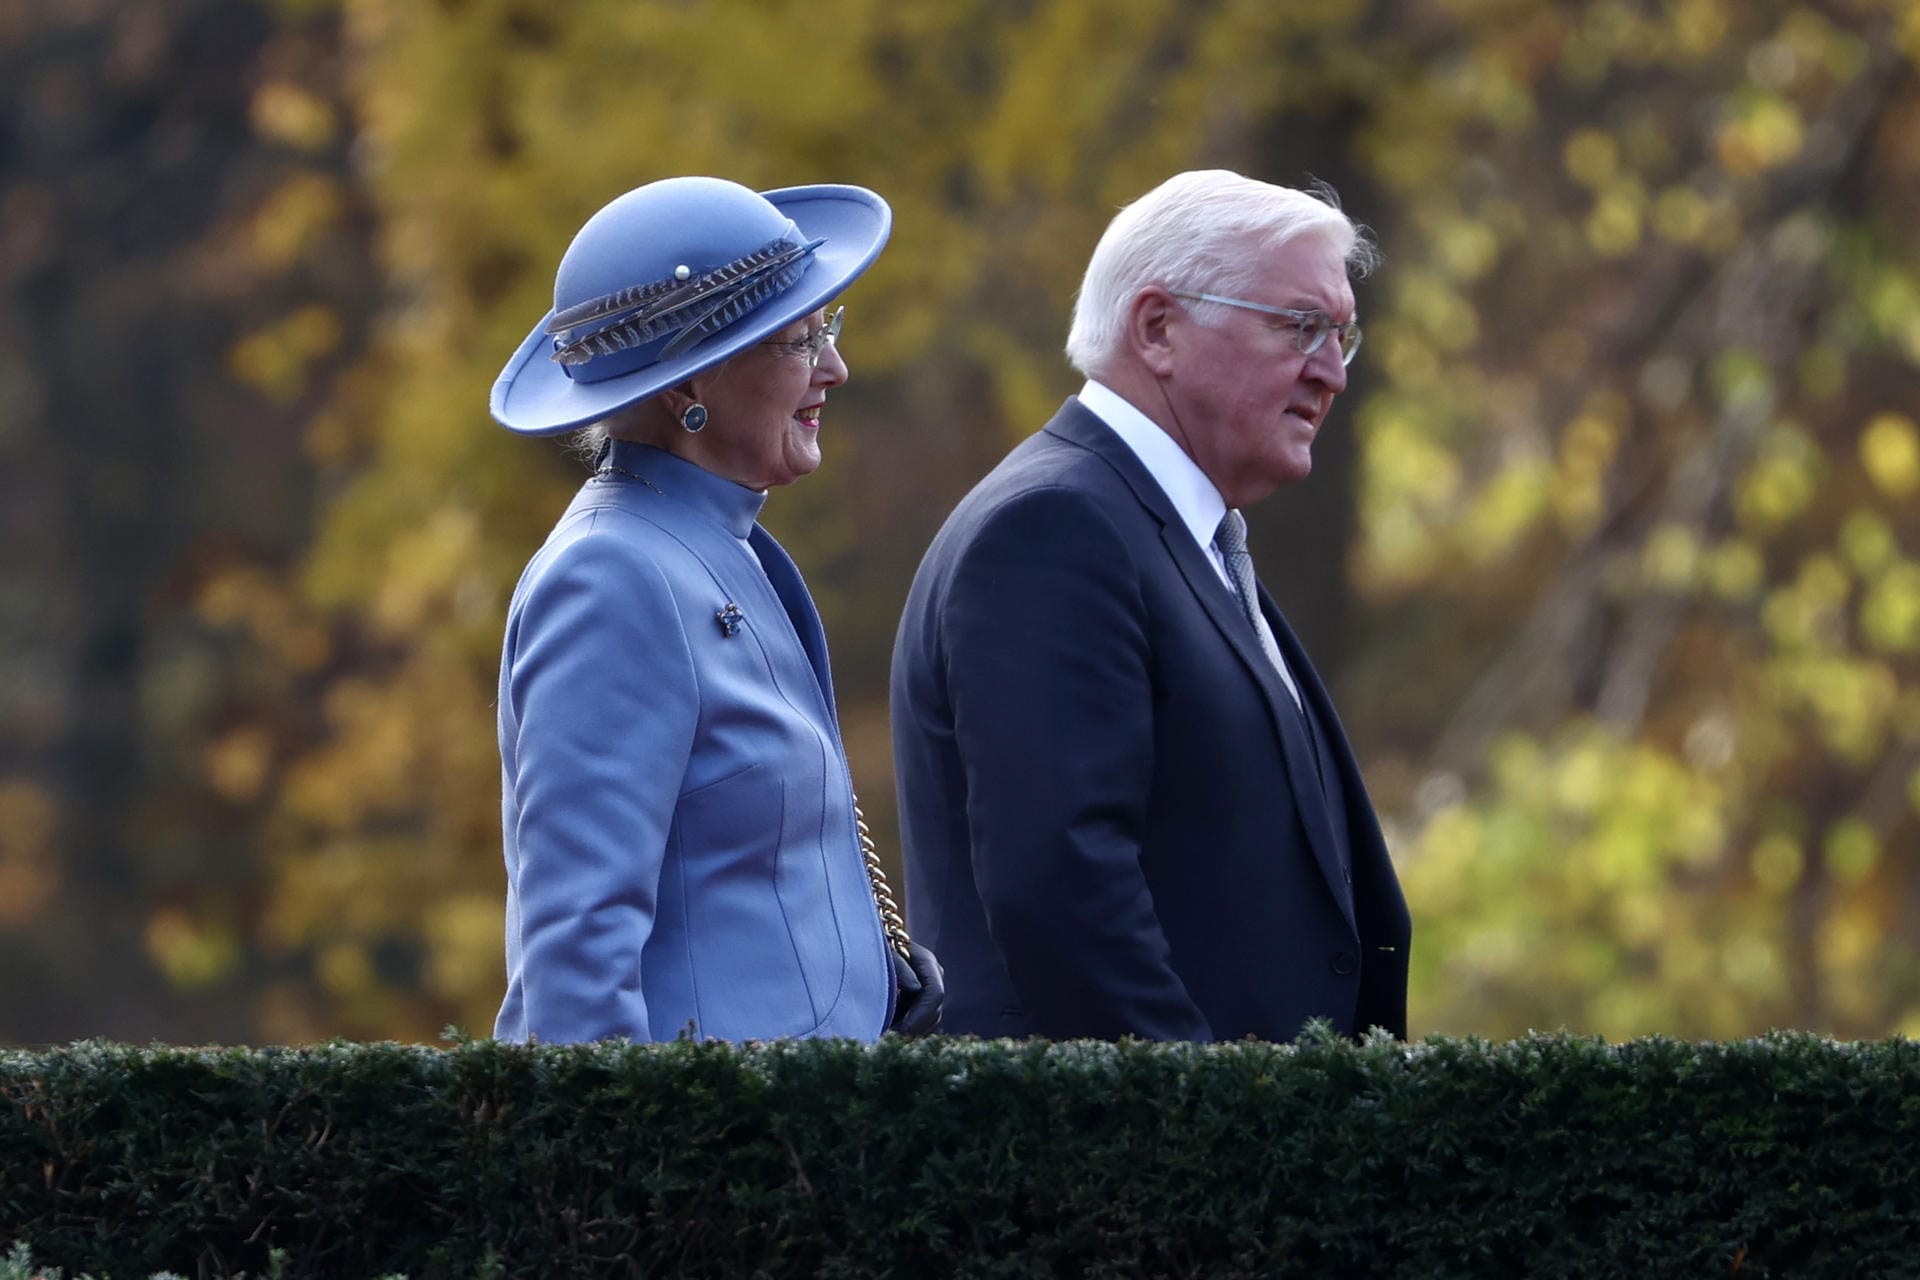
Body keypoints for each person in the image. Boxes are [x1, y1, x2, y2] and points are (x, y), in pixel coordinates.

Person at [891, 169, 1410, 1042]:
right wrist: (1211, 1137)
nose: (1332, 374)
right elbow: (1065, 891)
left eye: (1342, 339)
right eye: (1302, 326)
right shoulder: (1054, 530)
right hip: (1125, 1164)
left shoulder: (1175, 533)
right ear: (1159, 328)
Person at [488, 176, 941, 1044]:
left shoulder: (715, 546)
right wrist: (645, 1173)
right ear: (687, 385)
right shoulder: (613, 576)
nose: (835, 369)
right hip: (709, 1165)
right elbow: (575, 962)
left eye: (827, 330)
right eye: (799, 340)